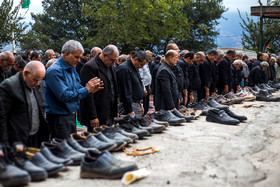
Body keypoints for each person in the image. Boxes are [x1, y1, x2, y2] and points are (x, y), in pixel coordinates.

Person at [44, 40, 104, 139]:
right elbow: (64, 96)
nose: (79, 60)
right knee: (63, 149)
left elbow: (77, 88)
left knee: (72, 146)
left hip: (70, 116)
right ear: (67, 53)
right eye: (76, 57)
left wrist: (90, 89)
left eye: (80, 57)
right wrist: (86, 89)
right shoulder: (54, 71)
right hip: (59, 119)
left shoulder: (71, 68)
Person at [0, 61, 49, 147]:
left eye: (40, 80)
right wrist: (4, 143)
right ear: (26, 73)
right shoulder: (9, 86)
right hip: (18, 140)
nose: (37, 84)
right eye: (34, 80)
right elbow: (2, 116)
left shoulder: (37, 83)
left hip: (37, 136)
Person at [79, 45, 119, 132]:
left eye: (115, 60)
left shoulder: (110, 66)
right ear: (104, 55)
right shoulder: (90, 66)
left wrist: (115, 109)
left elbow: (113, 87)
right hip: (98, 112)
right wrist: (93, 116)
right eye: (112, 60)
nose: (114, 63)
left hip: (109, 111)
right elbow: (87, 94)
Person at [117, 51, 148, 119]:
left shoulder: (134, 67)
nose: (141, 67)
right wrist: (130, 110)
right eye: (141, 64)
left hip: (136, 104)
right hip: (130, 105)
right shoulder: (124, 69)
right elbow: (125, 91)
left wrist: (141, 103)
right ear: (135, 59)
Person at [139, 51, 152, 115]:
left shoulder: (146, 64)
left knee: (147, 103)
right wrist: (143, 89)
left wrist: (149, 85)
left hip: (147, 85)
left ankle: (146, 115)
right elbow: (141, 77)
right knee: (143, 103)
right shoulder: (141, 64)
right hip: (143, 86)